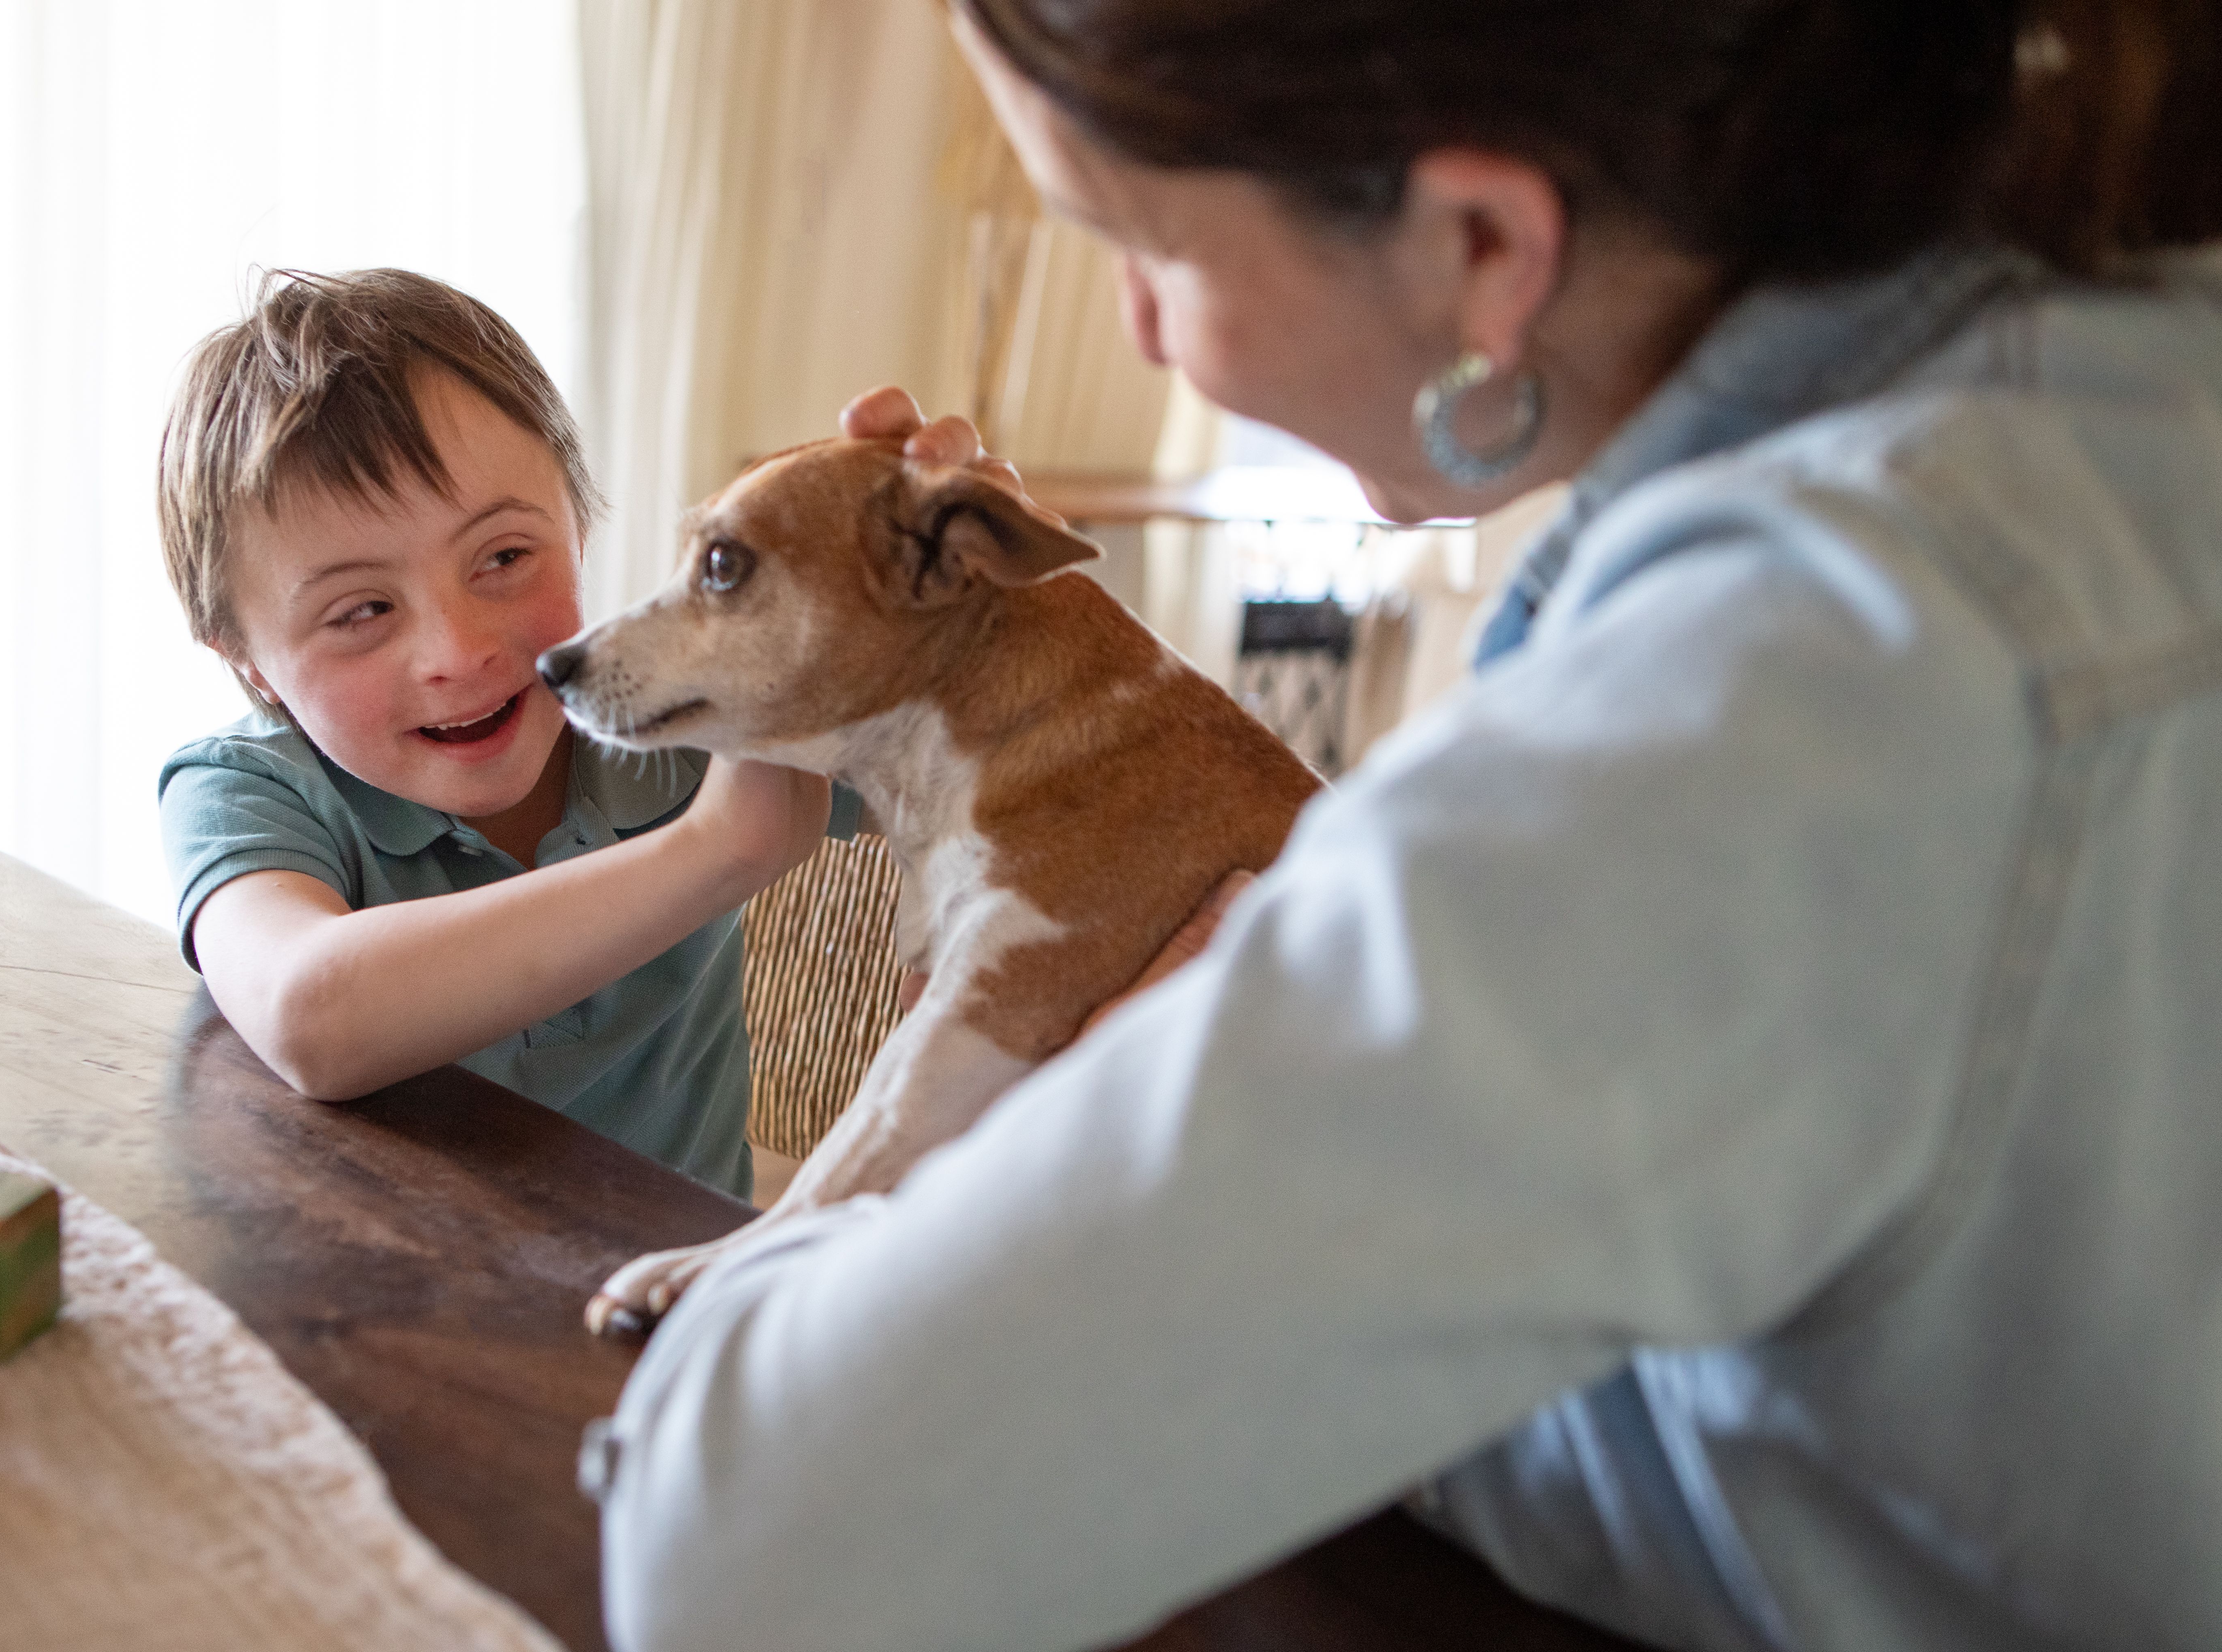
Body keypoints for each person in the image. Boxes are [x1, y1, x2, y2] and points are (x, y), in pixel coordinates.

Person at [584, 2, 2222, 1648]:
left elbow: (743, 1541)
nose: (1138, 332)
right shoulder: (2101, 415)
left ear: (1483, 246)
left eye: (1147, 246)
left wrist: (1078, 1126)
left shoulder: (1781, 686)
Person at [154, 269, 845, 1199]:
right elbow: (310, 1014)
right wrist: (716, 850)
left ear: (580, 530)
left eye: (506, 557)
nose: (459, 651)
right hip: (378, 1285)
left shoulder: (687, 711)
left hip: (687, 1282)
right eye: (362, 611)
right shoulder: (244, 791)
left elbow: (1012, 759)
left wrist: (975, 572)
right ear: (249, 664)